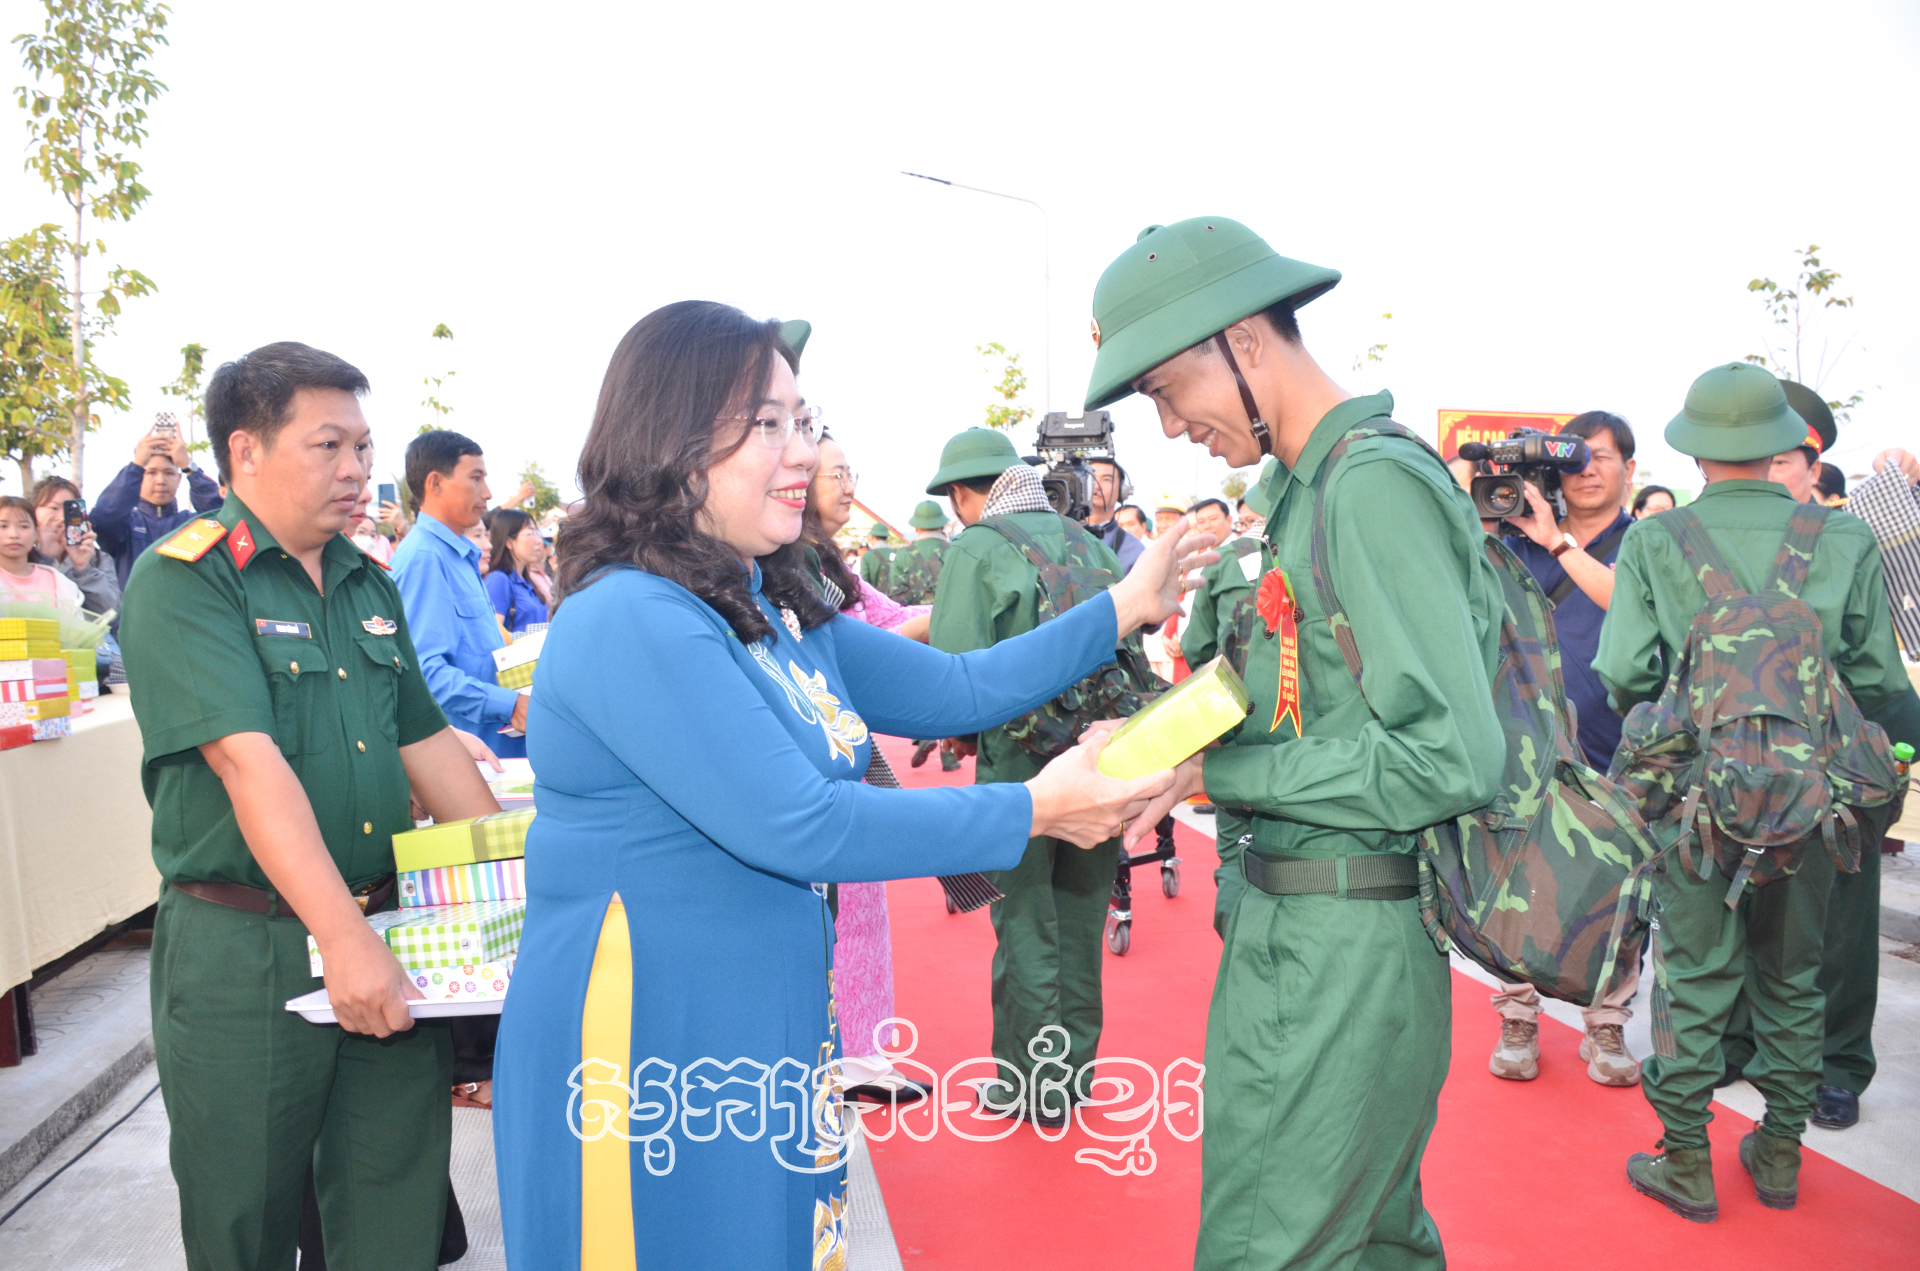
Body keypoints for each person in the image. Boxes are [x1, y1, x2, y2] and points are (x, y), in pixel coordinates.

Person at [490, 301, 1199, 1270]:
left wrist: (1124, 603)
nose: (802, 451)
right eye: (765, 423)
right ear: (672, 439)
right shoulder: (632, 616)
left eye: (804, 418)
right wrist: (1040, 806)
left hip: (763, 1005)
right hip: (651, 1022)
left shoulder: (765, 603)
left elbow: (955, 685)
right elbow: (805, 823)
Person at [1084, 216, 1506, 1271]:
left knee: (1269, 1244)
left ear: (1242, 341)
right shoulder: (1311, 489)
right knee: (1365, 1240)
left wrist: (1214, 770)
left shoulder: (1367, 488)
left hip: (1339, 938)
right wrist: (1156, 740)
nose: (1170, 425)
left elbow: (1450, 754)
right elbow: (1300, 694)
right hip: (1317, 919)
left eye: (1166, 390)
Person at [116, 341, 503, 1271]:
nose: (357, 470)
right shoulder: (187, 578)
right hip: (247, 953)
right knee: (243, 1219)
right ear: (244, 452)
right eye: (329, 445)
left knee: (392, 1214)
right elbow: (251, 769)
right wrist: (345, 941)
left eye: (365, 447)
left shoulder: (368, 581)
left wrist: (523, 892)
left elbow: (431, 749)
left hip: (386, 926)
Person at [1596, 362, 1920, 1219]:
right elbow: (1876, 676)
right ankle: (1778, 1153)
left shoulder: (1657, 541)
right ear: (1784, 443)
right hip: (1811, 804)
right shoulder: (1844, 539)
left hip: (1697, 803)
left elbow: (1625, 673)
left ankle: (1686, 1158)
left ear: (1696, 454)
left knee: (1695, 975)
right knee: (1794, 974)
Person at [925, 426, 1148, 1125]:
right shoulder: (1088, 542)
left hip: (1019, 758)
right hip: (1100, 749)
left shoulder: (976, 546)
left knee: (1024, 920)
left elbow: (954, 668)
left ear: (968, 492)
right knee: (1081, 914)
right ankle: (1076, 1073)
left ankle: (1031, 1085)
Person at [1716, 383, 1918, 1134]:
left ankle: (1836, 1064)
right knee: (1732, 905)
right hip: (1734, 763)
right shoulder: (1704, 533)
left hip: (1831, 762)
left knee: (1838, 920)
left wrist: (1894, 752)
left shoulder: (1851, 540)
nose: (1764, 474)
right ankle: (1734, 1042)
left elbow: (1881, 666)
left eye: (1780, 460)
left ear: (1813, 460)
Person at [1492, 410, 1646, 1085]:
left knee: (1617, 884)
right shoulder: (1510, 539)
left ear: (1630, 469)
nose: (1588, 469)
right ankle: (1518, 1012)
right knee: (1516, 879)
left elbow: (1639, 612)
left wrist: (1555, 542)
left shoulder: (1646, 546)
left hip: (1619, 743)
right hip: (1523, 741)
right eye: (1575, 458)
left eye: (1603, 457)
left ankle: (1606, 1021)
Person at [391, 430, 528, 759]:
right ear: (435, 484)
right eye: (475, 478)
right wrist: (510, 705)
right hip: (467, 754)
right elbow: (424, 673)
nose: (487, 492)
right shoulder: (424, 558)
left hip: (496, 744)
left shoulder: (457, 556)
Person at [1177, 487, 1271, 937]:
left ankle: (1237, 943)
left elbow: (1195, 648)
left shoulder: (1223, 560)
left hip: (1235, 728)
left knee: (1236, 848)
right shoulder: (1326, 553)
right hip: (1312, 737)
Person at [92, 429, 224, 590]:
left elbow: (224, 518)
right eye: (151, 473)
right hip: (133, 614)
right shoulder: (126, 525)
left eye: (169, 473)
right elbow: (103, 519)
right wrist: (136, 465)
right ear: (139, 476)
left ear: (179, 478)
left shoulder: (191, 524)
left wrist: (189, 467)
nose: (160, 480)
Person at [29, 475, 121, 615]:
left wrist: (83, 569)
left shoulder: (97, 558)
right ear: (33, 511)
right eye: (53, 507)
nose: (61, 517)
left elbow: (111, 612)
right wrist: (43, 557)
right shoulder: (20, 553)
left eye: (69, 510)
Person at [0, 495, 87, 610]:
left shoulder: (57, 581)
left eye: (24, 526)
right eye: (3, 526)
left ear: (36, 533)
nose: (14, 534)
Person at [484, 508, 552, 635]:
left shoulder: (527, 582)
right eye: (530, 534)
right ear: (509, 542)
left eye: (537, 533)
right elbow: (493, 634)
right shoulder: (499, 580)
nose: (538, 541)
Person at [1084, 458, 1146, 573]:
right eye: (1090, 478)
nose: (1096, 486)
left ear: (1122, 492)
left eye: (1106, 480)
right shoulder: (1059, 535)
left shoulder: (1133, 549)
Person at [884, 500, 951, 605]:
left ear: (916, 527)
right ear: (942, 525)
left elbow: (895, 592)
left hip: (914, 619)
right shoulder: (954, 550)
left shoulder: (903, 554)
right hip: (949, 617)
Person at [858, 522, 894, 590]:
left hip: (876, 598)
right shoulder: (896, 553)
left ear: (872, 537)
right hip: (894, 597)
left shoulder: (868, 555)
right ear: (886, 537)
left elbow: (864, 581)